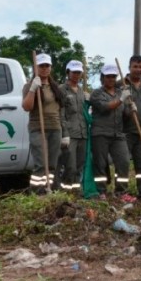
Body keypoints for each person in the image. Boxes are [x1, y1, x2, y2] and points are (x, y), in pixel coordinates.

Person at [89, 64, 136, 202]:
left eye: (113, 76)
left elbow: (125, 114)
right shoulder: (97, 93)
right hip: (100, 133)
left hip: (118, 134)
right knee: (100, 163)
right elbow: (105, 107)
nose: (111, 79)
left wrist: (132, 109)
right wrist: (121, 100)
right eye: (108, 76)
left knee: (124, 161)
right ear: (102, 77)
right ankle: (100, 191)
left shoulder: (121, 92)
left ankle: (121, 191)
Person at [22, 53, 65, 193]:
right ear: (36, 67)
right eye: (41, 66)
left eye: (47, 65)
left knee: (52, 164)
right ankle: (37, 192)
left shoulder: (55, 87)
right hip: (38, 128)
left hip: (55, 128)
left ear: (51, 67)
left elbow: (60, 110)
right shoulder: (29, 86)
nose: (45, 68)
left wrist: (65, 132)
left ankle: (48, 189)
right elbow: (26, 107)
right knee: (41, 164)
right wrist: (33, 89)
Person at [123, 55, 141, 199]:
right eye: (135, 67)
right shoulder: (121, 85)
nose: (138, 70)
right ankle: (121, 192)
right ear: (129, 67)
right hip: (125, 132)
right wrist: (127, 110)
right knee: (123, 164)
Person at [58, 60, 88, 193]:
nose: (76, 75)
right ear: (68, 73)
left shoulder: (82, 91)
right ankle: (66, 191)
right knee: (70, 166)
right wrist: (64, 133)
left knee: (80, 165)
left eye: (79, 72)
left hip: (83, 133)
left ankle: (76, 191)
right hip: (70, 134)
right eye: (74, 72)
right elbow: (60, 113)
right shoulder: (62, 89)